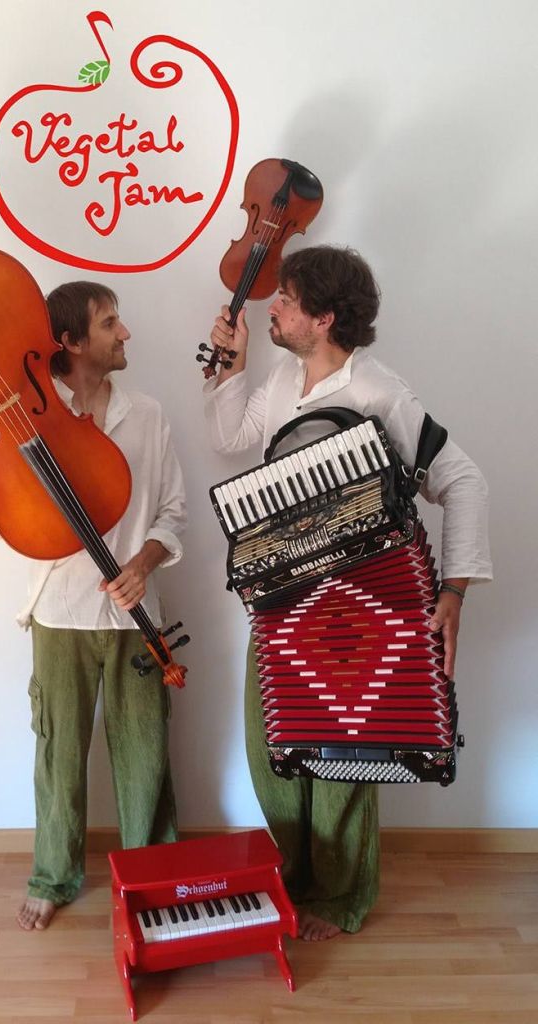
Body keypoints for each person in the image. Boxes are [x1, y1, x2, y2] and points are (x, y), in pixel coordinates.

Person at [204, 245, 491, 941]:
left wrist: (453, 590)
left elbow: (463, 481)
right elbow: (228, 435)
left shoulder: (381, 392)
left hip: (359, 609)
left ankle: (340, 896)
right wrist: (230, 368)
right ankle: (295, 879)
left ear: (325, 318)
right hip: (281, 602)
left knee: (346, 749)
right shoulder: (281, 377)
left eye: (287, 300)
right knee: (272, 747)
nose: (272, 307)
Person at [0, 281, 186, 930]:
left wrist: (142, 564)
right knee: (57, 753)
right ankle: (53, 876)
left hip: (136, 617)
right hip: (59, 614)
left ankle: (153, 879)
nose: (124, 333)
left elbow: (173, 512)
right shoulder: (22, 420)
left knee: (146, 754)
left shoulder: (148, 415)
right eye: (109, 324)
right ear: (70, 342)